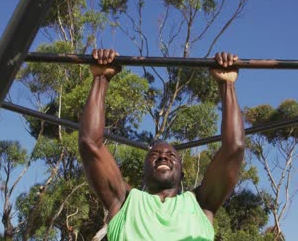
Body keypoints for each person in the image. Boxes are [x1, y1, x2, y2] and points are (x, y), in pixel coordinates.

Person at [79, 49, 245, 240]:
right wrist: (101, 78)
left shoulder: (201, 204)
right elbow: (90, 143)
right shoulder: (124, 202)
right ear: (143, 171)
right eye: (154, 155)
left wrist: (227, 84)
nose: (163, 156)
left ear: (182, 173)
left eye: (171, 155)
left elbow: (234, 148)